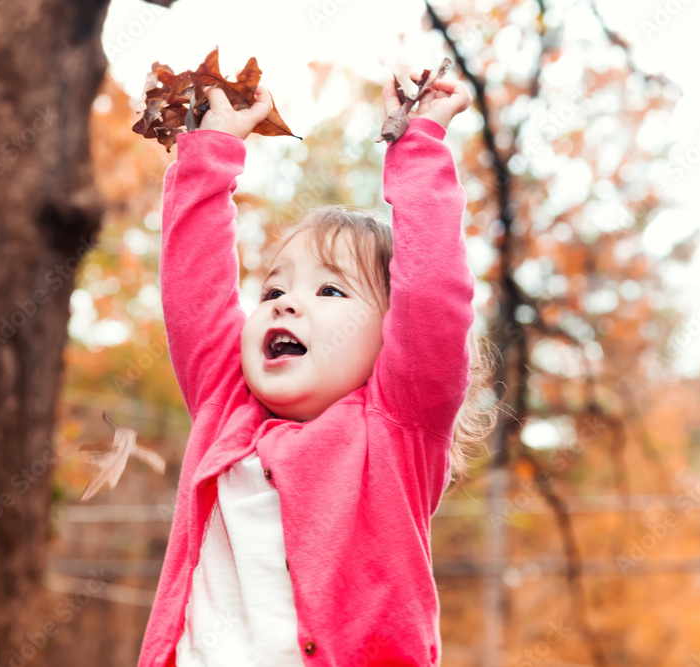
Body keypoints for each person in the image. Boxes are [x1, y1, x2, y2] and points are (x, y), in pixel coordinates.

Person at [138, 69, 496, 667]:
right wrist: (211, 150)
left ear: (389, 339)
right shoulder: (225, 406)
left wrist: (420, 143)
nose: (285, 301)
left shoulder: (395, 428)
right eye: (273, 288)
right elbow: (195, 289)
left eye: (331, 293)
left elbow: (433, 295)